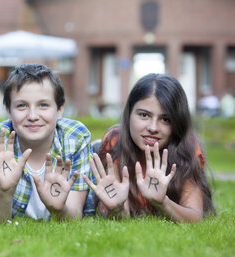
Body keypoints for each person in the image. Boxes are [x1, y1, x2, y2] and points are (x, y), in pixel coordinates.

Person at [85, 73, 215, 223]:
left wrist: (163, 202)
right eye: (144, 115)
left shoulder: (188, 148)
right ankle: (97, 146)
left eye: (165, 119)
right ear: (129, 114)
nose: (153, 128)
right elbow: (120, 215)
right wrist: (118, 208)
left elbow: (195, 216)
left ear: (178, 123)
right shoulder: (115, 140)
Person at [0, 63, 93, 222]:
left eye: (43, 105)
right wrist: (4, 191)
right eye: (21, 106)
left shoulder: (76, 138)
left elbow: (73, 217)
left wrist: (59, 209)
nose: (33, 115)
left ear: (59, 110)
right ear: (9, 112)